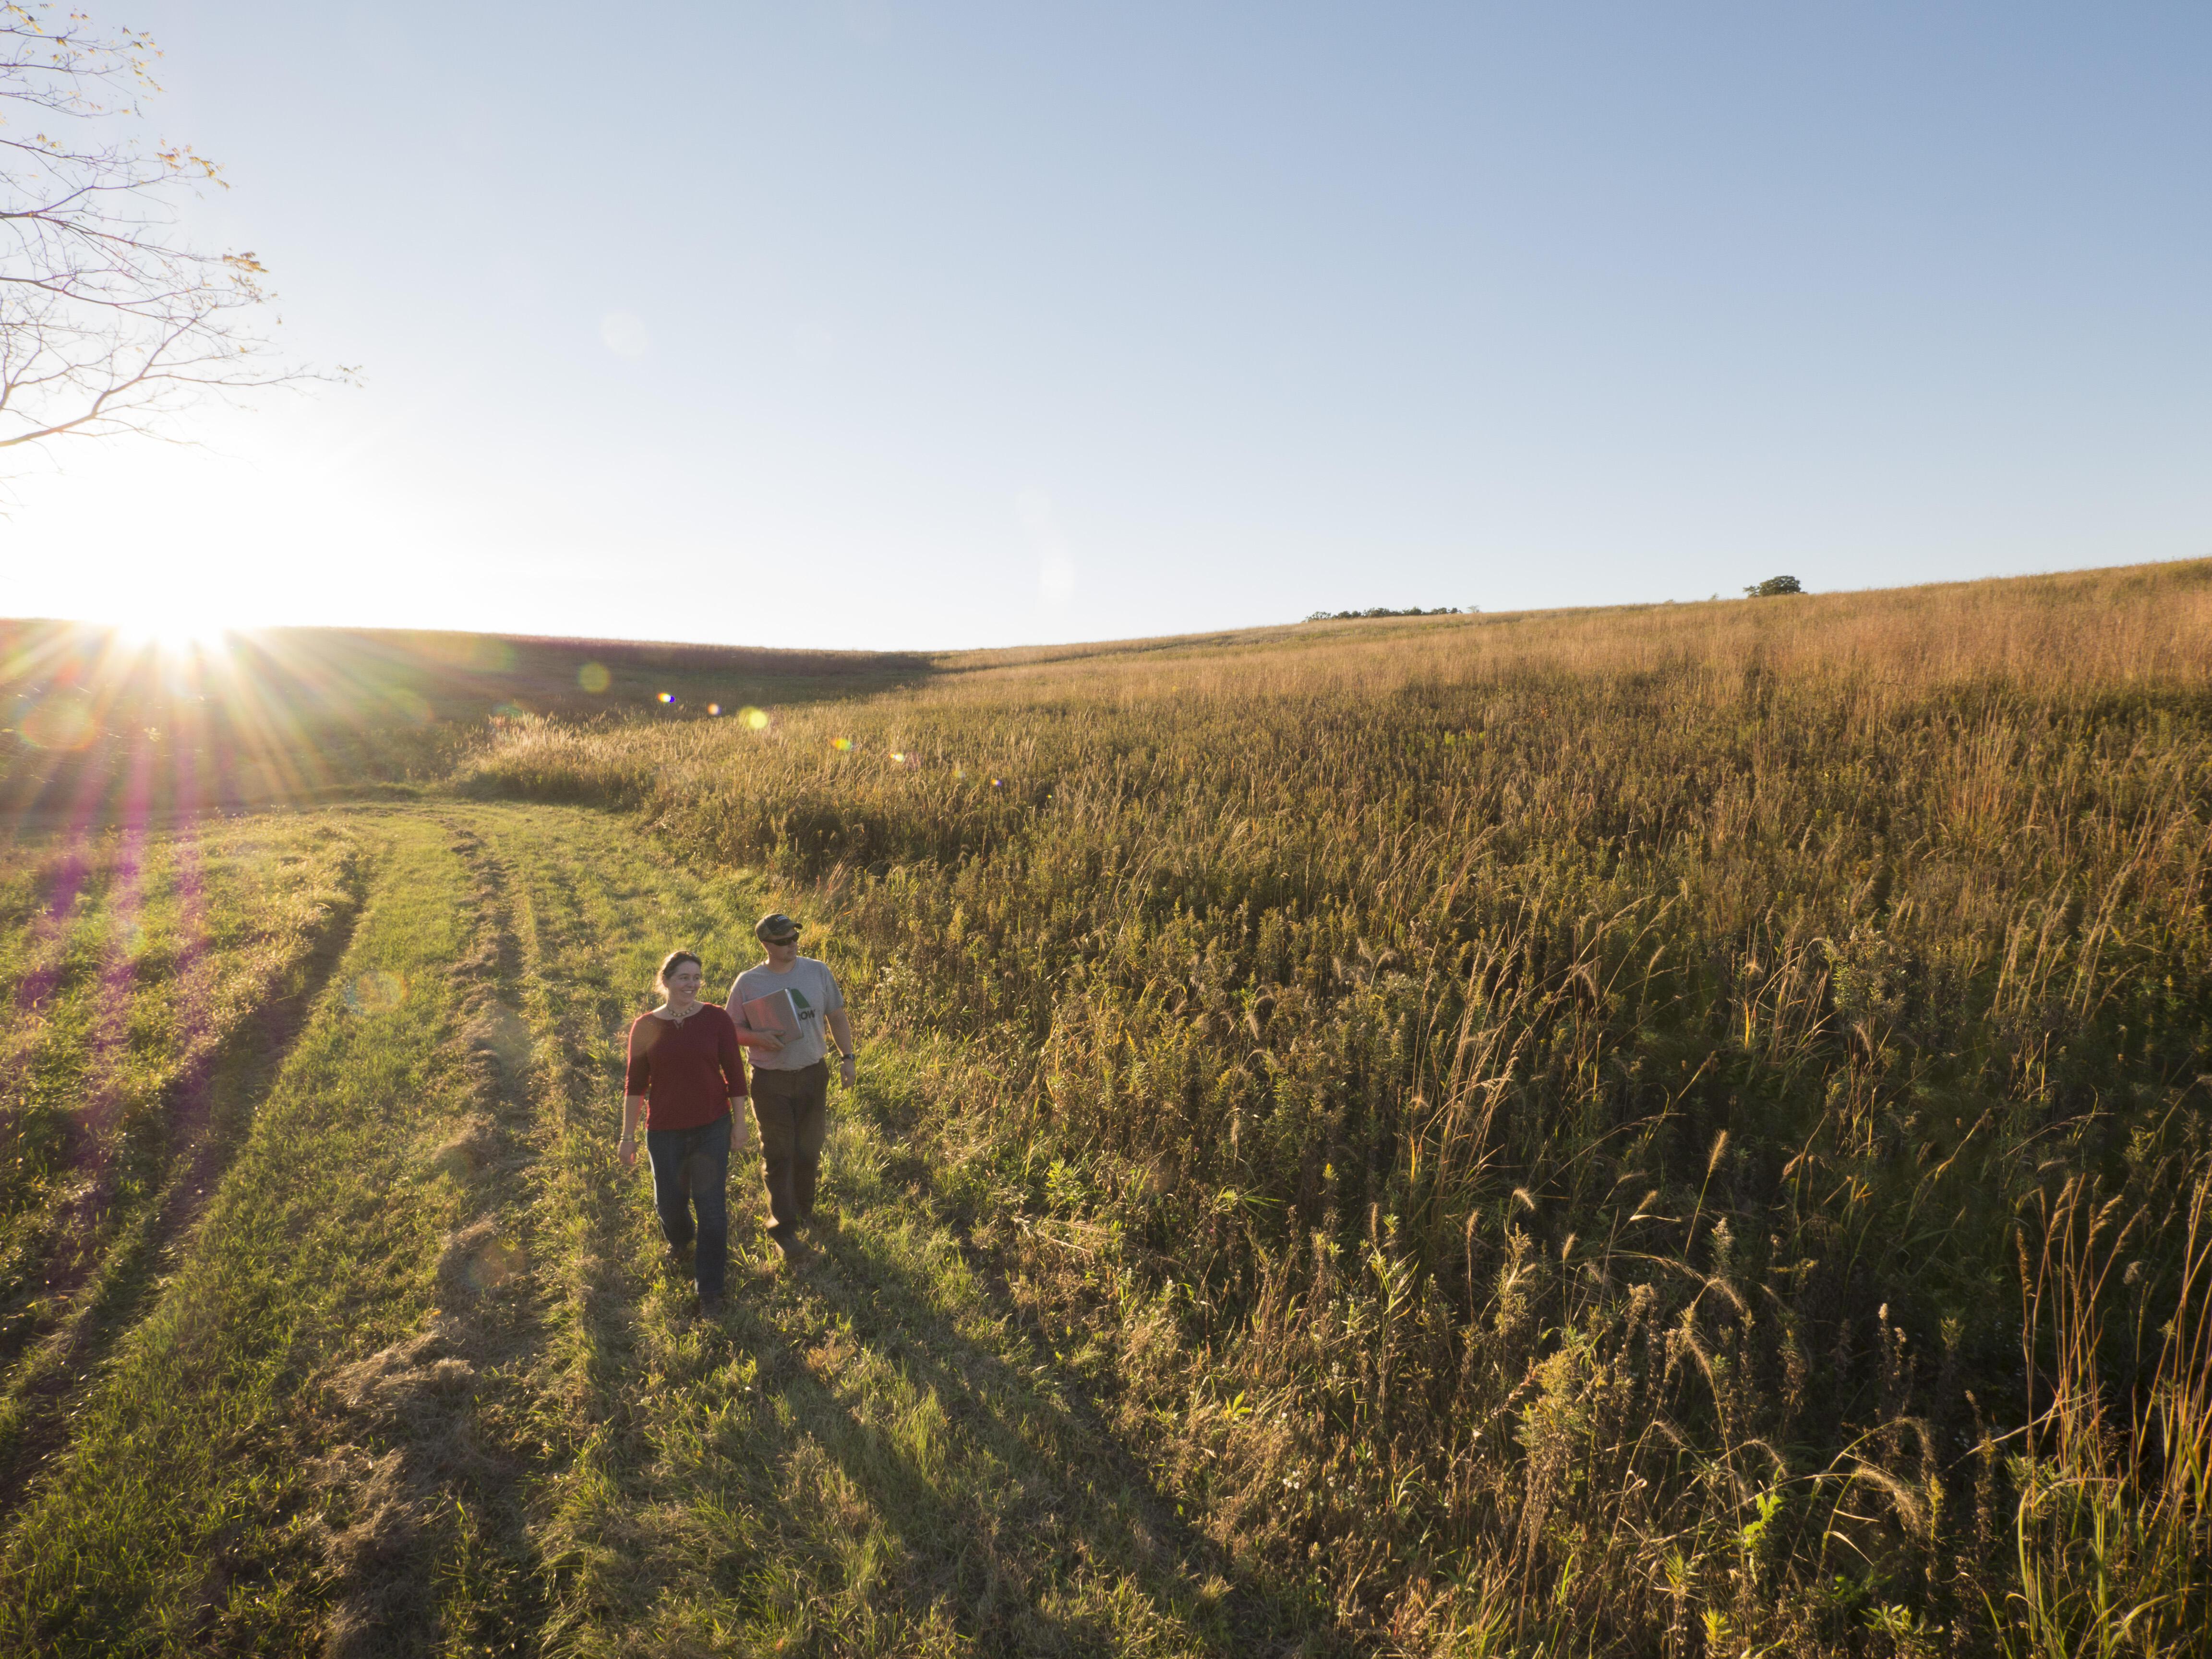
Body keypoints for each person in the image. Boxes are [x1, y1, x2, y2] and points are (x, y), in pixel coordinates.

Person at [619, 950, 782, 1313]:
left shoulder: (716, 1019)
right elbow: (635, 1085)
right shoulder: (645, 1026)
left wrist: (740, 1124)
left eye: (697, 978)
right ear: (666, 981)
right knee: (670, 1205)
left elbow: (735, 1075)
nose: (691, 985)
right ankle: (681, 1240)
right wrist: (627, 1136)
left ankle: (710, 1288)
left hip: (712, 1126)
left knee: (712, 1209)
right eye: (684, 978)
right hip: (664, 1131)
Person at [727, 913, 856, 1255]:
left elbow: (837, 1016)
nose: (792, 945)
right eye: (783, 941)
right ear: (766, 945)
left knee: (809, 1150)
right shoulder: (748, 982)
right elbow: (729, 1030)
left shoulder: (817, 971)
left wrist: (848, 1058)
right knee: (779, 1153)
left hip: (814, 1073)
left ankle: (805, 1211)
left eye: (794, 938)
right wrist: (757, 1037)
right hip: (771, 1081)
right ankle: (783, 1228)